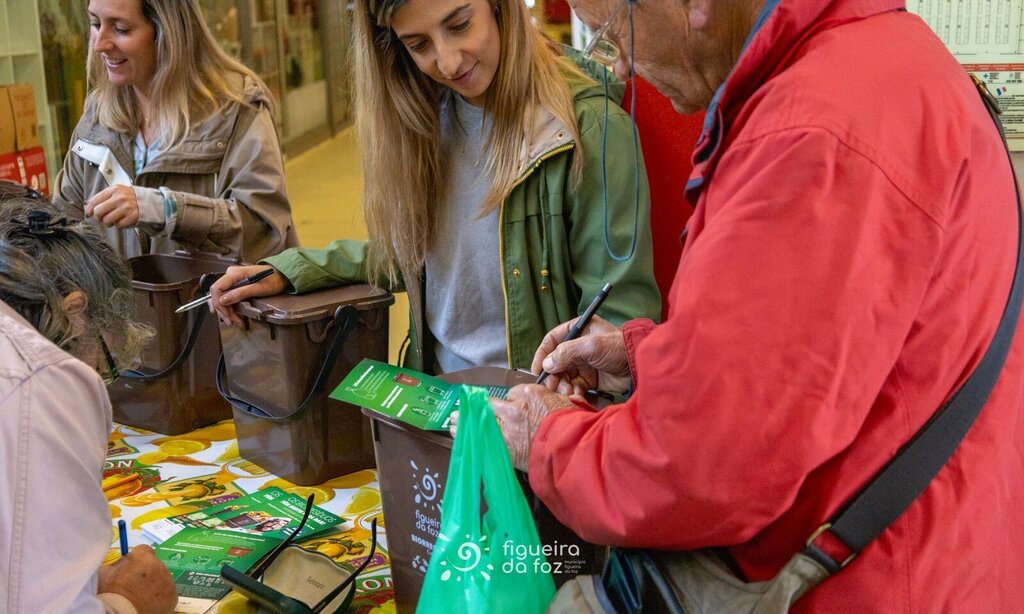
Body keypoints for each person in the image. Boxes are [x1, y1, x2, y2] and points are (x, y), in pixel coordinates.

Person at [489, 0, 1024, 611]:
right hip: (945, 550)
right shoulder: (882, 59)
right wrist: (648, 357)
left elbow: (700, 471)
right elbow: (842, 346)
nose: (623, 66)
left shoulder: (810, 133)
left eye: (616, 32)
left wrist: (549, 438)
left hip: (864, 583)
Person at [209, 0, 660, 374]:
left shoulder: (589, 128)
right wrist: (292, 271)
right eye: (418, 45)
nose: (448, 62)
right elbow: (425, 257)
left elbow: (619, 326)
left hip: (532, 415)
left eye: (460, 25)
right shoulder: (424, 117)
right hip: (434, 401)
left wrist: (570, 398)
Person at [0, 189, 177, 613]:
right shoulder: (37, 377)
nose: (96, 380)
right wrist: (127, 601)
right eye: (104, 366)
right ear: (75, 312)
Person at [53, 0, 298, 262]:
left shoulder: (236, 110)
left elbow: (264, 233)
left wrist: (165, 210)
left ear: (169, 31)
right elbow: (63, 224)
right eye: (95, 24)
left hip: (211, 290)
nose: (100, 44)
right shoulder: (96, 116)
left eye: (121, 29)